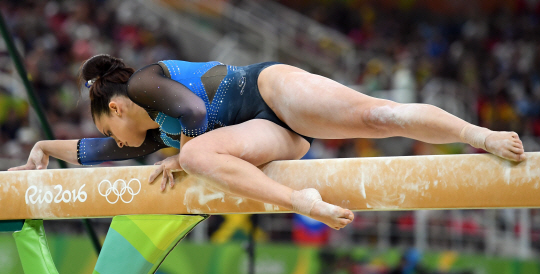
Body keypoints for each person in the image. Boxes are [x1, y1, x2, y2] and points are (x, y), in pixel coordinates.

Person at [8, 54, 526, 230]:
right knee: (192, 154)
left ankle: (475, 134)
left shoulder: (145, 84)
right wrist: (44, 151)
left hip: (268, 89)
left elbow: (192, 110)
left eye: (106, 125)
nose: (111, 137)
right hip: (270, 135)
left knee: (376, 114)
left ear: (116, 106)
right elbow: (100, 153)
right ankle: (301, 202)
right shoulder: (154, 134)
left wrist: (179, 155)